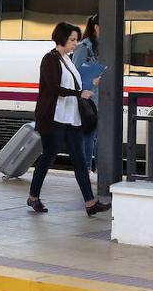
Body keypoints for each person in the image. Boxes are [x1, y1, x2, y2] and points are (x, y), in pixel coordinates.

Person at [27, 23, 111, 216]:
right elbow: (53, 88)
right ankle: (33, 197)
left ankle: (90, 204)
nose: (75, 43)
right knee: (48, 158)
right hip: (54, 119)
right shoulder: (49, 59)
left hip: (72, 119)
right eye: (72, 40)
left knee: (80, 161)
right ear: (62, 38)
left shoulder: (68, 60)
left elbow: (74, 83)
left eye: (76, 40)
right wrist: (79, 93)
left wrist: (90, 83)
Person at [71, 15, 101, 173]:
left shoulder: (102, 46)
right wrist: (92, 81)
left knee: (100, 138)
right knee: (89, 137)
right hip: (89, 99)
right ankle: (86, 169)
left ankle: (99, 170)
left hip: (101, 99)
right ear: (96, 27)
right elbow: (76, 75)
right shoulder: (84, 46)